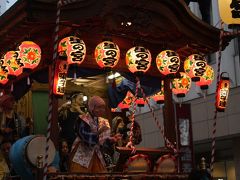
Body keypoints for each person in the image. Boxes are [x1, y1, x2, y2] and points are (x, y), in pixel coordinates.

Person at [69, 96, 121, 174]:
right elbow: (85, 138)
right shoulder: (83, 119)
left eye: (103, 108)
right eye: (99, 107)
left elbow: (101, 143)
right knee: (80, 175)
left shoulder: (101, 121)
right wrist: (98, 133)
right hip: (82, 153)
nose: (102, 110)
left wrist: (111, 140)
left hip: (96, 154)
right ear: (91, 107)